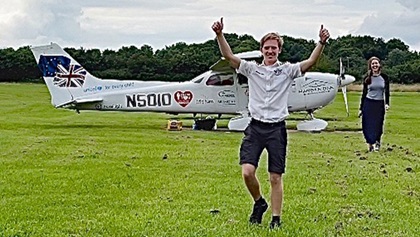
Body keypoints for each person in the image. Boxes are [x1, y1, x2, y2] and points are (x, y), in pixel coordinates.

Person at [211, 17, 330, 229]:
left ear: (279, 50)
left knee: (275, 177)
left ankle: (276, 218)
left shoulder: (287, 70)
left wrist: (320, 43)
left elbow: (310, 63)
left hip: (276, 128)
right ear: (262, 50)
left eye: (274, 48)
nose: (270, 51)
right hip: (255, 127)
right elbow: (229, 56)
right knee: (247, 172)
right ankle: (259, 203)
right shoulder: (251, 69)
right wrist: (220, 35)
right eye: (267, 48)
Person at [358, 56, 390, 152]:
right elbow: (364, 93)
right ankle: (370, 144)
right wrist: (361, 108)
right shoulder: (367, 78)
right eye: (373, 64)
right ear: (370, 66)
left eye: (376, 63)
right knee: (367, 125)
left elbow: (387, 91)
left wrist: (387, 103)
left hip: (379, 104)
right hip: (368, 103)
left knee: (378, 124)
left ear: (379, 65)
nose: (374, 65)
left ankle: (377, 142)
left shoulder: (384, 77)